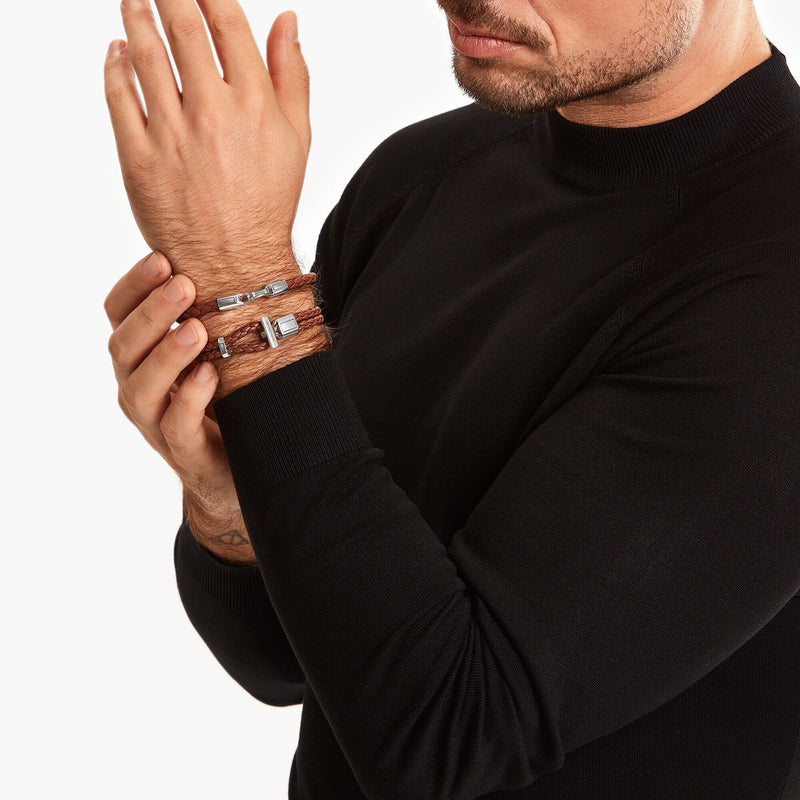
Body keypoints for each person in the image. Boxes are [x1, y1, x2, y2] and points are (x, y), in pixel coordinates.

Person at [103, 0, 800, 797]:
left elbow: (443, 738)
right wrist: (232, 510)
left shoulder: (777, 287)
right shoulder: (421, 172)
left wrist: (250, 292)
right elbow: (288, 661)